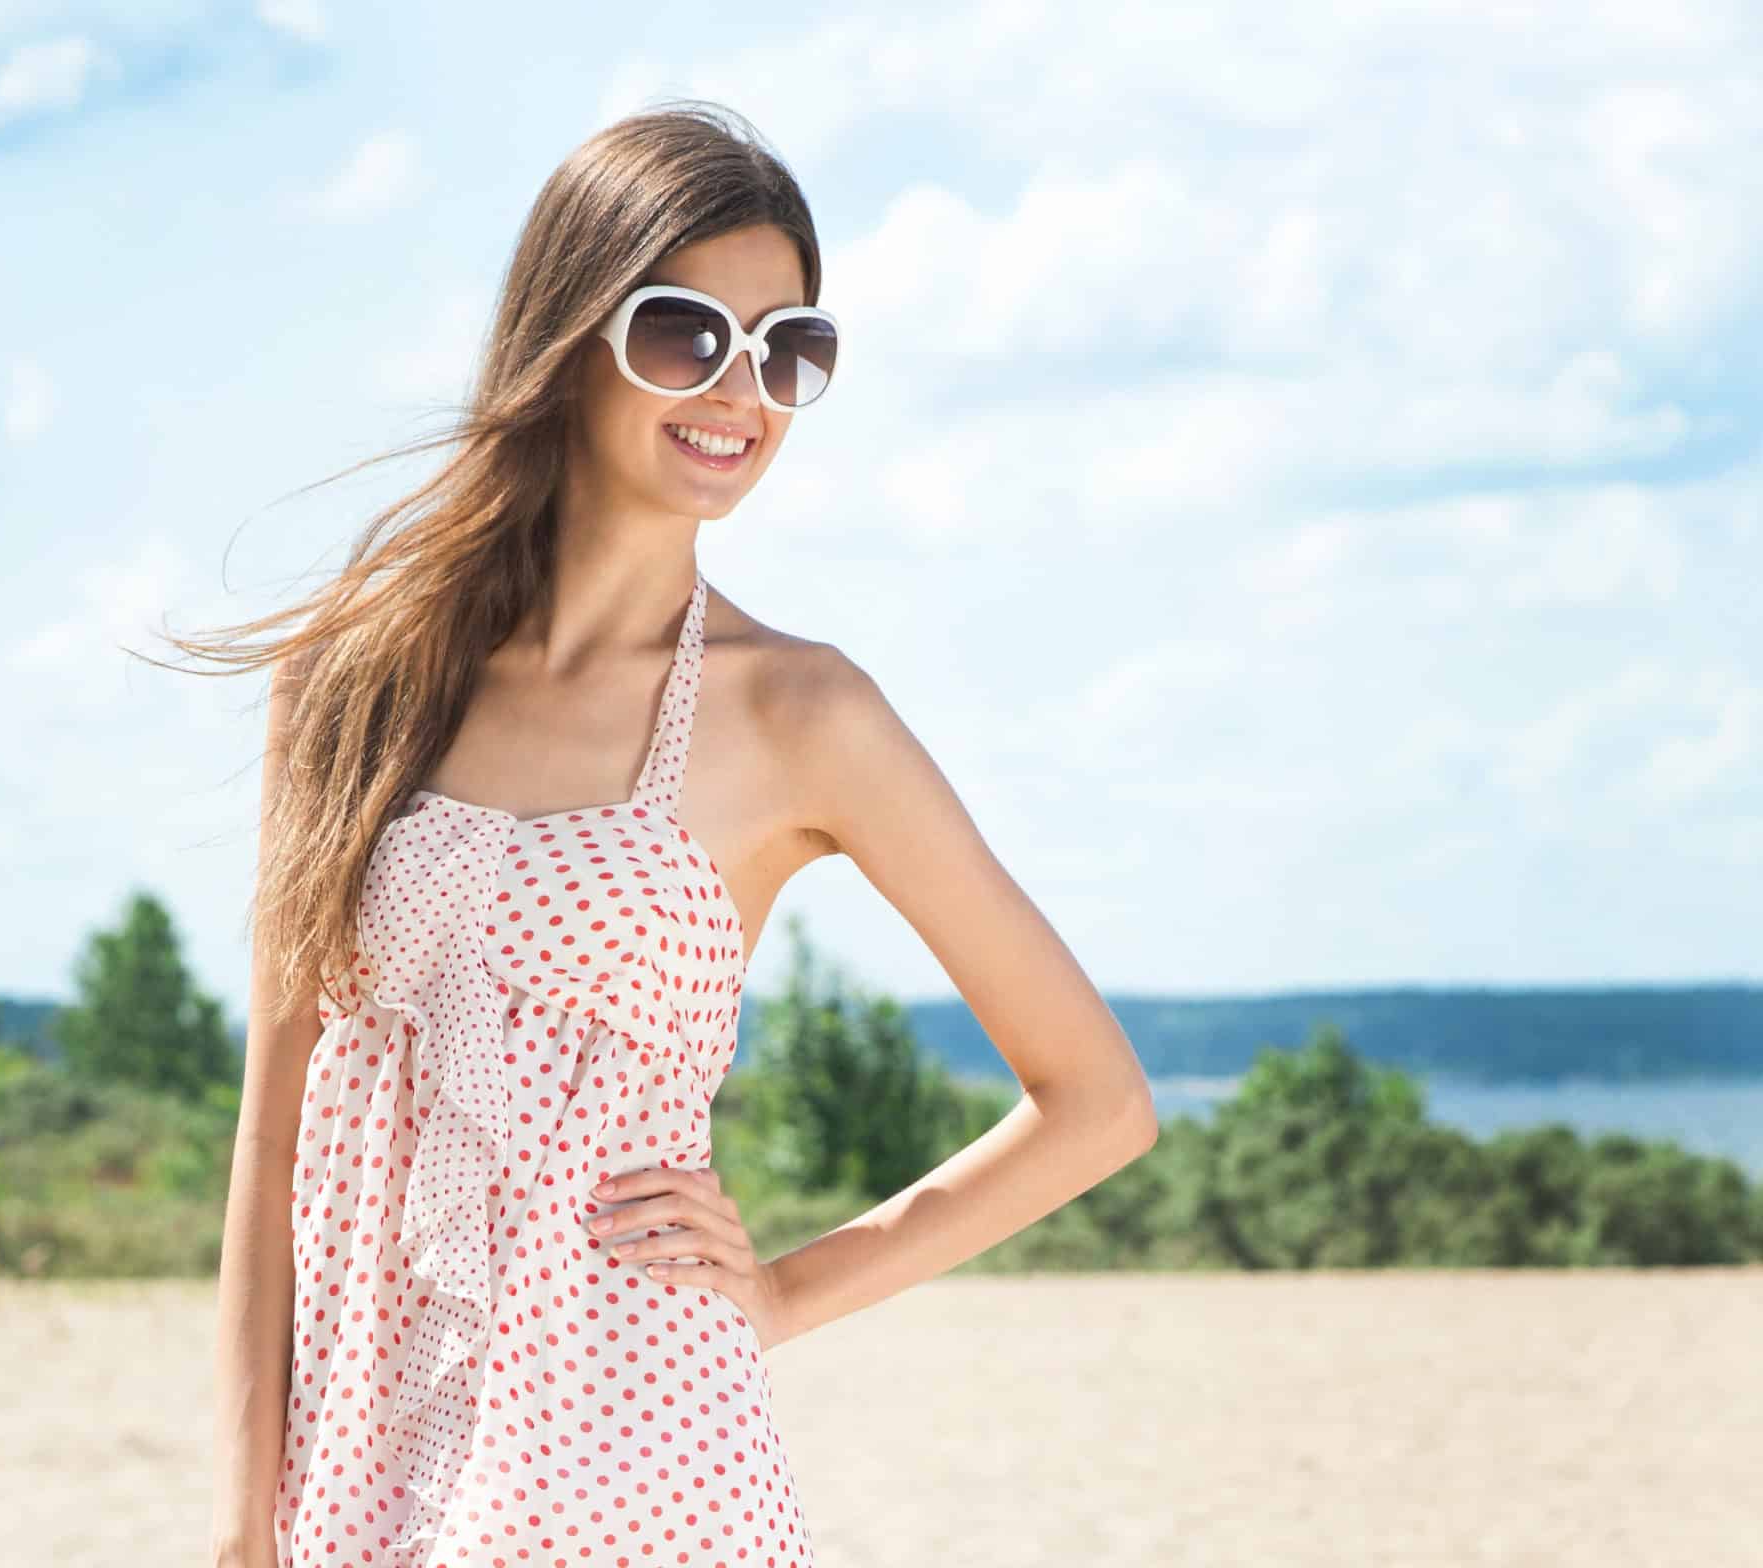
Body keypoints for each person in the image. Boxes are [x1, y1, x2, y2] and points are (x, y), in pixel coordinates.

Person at [188, 100, 1158, 1568]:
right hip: (359, 1461)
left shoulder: (802, 715)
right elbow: (275, 1116)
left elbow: (1097, 1103)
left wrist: (780, 1294)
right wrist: (237, 1524)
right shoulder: (349, 674)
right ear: (572, 334)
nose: (743, 390)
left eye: (789, 349)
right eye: (688, 333)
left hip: (641, 1456)